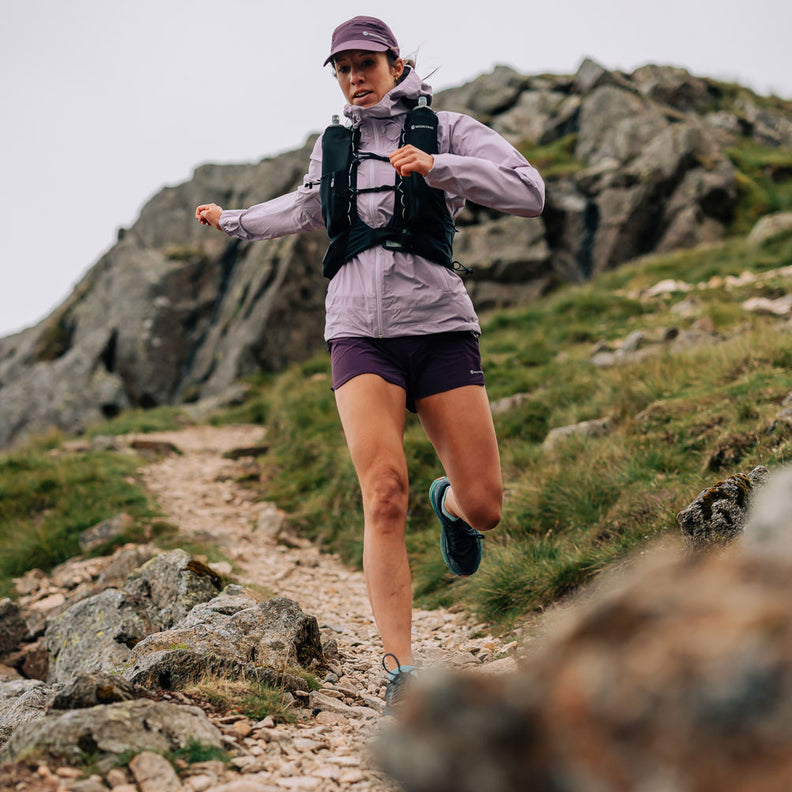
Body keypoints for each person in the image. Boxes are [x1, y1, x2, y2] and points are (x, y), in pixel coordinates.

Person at [196, 15, 544, 709]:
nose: (354, 77)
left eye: (365, 64)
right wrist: (234, 218)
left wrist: (440, 167)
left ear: (394, 62)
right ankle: (401, 672)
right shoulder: (334, 145)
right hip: (358, 335)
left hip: (441, 328)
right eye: (342, 68)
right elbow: (301, 209)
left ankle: (451, 505)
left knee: (486, 505)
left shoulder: (448, 129)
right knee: (383, 492)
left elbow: (529, 193)